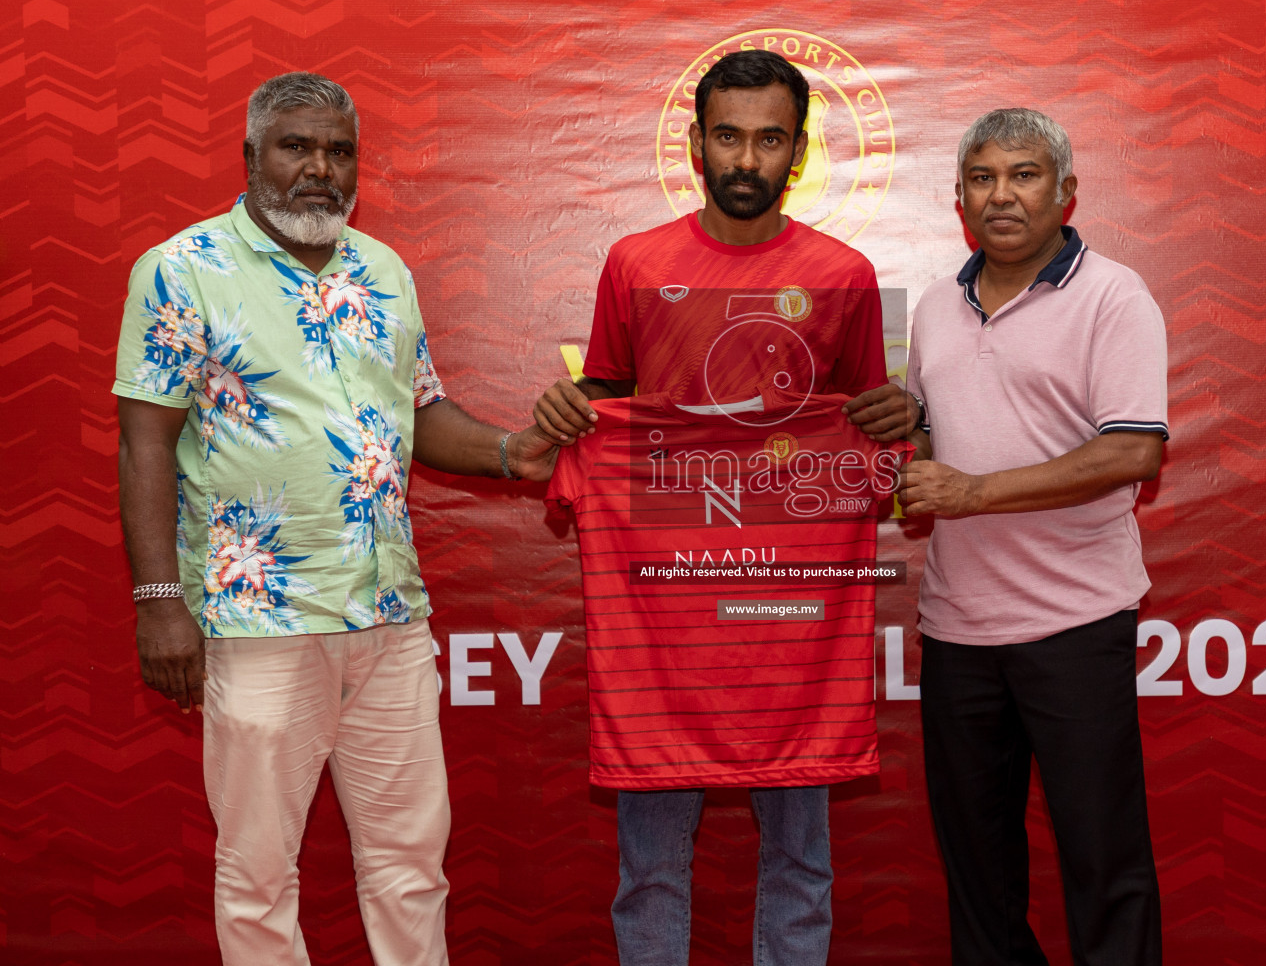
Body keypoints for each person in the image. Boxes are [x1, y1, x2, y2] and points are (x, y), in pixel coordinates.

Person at [113, 71, 557, 966]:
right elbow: (145, 444)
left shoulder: (381, 269)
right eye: (297, 146)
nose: (320, 167)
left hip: (388, 618)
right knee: (258, 876)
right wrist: (161, 602)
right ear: (251, 156)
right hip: (256, 621)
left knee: (410, 866)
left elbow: (419, 414)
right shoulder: (181, 268)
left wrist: (515, 452)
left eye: (339, 150)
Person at [533, 49, 914, 966]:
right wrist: (567, 415)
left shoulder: (849, 273)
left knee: (800, 856)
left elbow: (877, 433)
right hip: (663, 610)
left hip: (796, 605)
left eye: (770, 139)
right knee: (652, 866)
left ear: (801, 150)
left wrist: (907, 416)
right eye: (729, 137)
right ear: (697, 144)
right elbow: (608, 410)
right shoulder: (632, 264)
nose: (748, 159)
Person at [898, 108, 1168, 966]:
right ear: (959, 201)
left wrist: (971, 492)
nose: (1001, 195)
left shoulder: (1114, 294)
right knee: (979, 880)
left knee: (1103, 866)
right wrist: (901, 461)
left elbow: (1133, 450)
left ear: (1065, 193)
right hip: (957, 630)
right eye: (983, 179)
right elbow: (937, 442)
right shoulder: (937, 307)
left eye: (1023, 175)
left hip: (1075, 626)